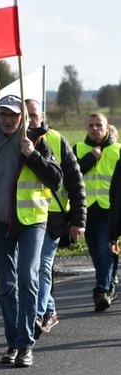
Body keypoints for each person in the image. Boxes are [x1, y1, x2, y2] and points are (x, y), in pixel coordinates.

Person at [0, 95, 62, 368]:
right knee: (6, 286)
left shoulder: (36, 141)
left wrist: (33, 156)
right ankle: (13, 343)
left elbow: (57, 179)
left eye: (13, 115)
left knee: (28, 280)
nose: (7, 119)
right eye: (3, 114)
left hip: (32, 222)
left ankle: (26, 344)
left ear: (22, 119)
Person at [25, 100, 86, 335]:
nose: (29, 119)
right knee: (28, 270)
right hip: (23, 217)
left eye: (33, 114)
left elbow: (75, 181)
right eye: (25, 115)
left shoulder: (57, 140)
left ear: (42, 115)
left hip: (52, 217)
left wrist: (78, 219)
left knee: (42, 267)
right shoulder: (11, 141)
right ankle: (49, 309)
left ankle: (37, 315)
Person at [74, 112, 120, 311]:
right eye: (91, 125)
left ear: (107, 126)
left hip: (110, 209)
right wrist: (90, 158)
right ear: (87, 128)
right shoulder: (78, 148)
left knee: (103, 248)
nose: (95, 128)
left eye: (98, 125)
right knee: (97, 251)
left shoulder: (117, 150)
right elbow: (72, 176)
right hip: (86, 208)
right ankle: (110, 284)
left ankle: (102, 290)